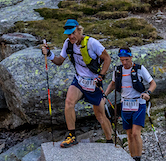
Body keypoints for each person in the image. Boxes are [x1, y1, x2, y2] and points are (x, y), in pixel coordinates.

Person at [41, 19, 113, 148]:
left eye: (73, 33)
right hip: (79, 80)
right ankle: (72, 136)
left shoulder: (92, 43)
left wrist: (101, 76)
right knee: (69, 102)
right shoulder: (68, 44)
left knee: (100, 116)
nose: (71, 36)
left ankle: (109, 141)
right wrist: (50, 54)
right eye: (69, 34)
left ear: (79, 30)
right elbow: (59, 61)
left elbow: (107, 58)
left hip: (93, 83)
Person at [104, 47, 156, 161]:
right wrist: (104, 96)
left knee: (135, 133)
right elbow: (113, 84)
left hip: (139, 103)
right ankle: (133, 159)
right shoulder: (117, 70)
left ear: (131, 57)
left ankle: (138, 160)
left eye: (126, 60)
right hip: (125, 104)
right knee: (129, 134)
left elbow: (152, 83)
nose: (124, 63)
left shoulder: (139, 69)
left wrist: (148, 93)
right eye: (122, 60)